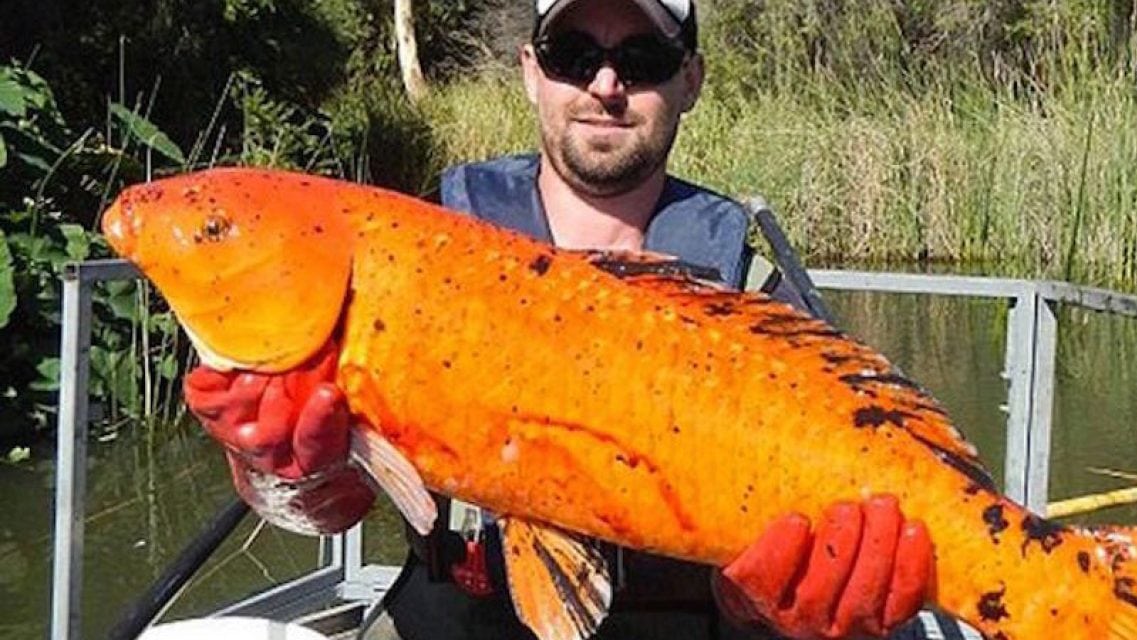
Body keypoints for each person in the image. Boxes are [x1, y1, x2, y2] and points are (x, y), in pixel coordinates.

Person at [182, 1, 937, 638]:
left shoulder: (757, 296)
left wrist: (783, 615)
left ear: (692, 79)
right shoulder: (418, 249)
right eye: (572, 52)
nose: (605, 84)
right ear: (530, 70)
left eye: (641, 57)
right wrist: (283, 480)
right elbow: (327, 507)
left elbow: (845, 564)